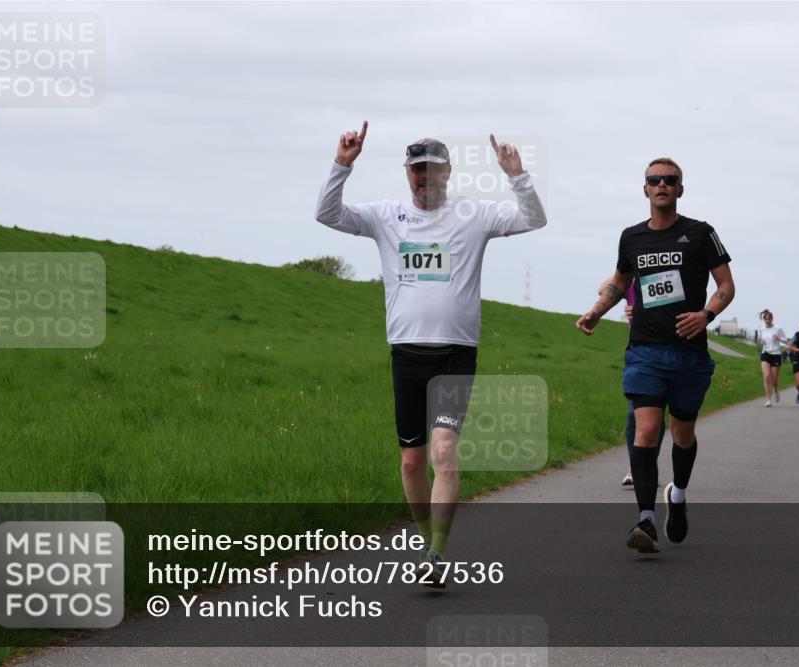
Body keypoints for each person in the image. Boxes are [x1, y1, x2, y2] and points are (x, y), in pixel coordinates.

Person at [315, 123, 547, 585]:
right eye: (417, 169)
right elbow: (327, 214)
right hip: (406, 354)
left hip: (456, 354)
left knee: (444, 451)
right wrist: (343, 164)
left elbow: (532, 220)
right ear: (408, 174)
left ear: (448, 172)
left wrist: (517, 175)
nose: (425, 176)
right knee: (411, 461)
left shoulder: (474, 214)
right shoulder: (386, 215)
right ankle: (426, 540)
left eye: (433, 168)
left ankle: (436, 556)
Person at [576, 157, 735, 554]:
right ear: (644, 188)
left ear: (680, 189)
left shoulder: (700, 234)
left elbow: (727, 286)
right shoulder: (631, 237)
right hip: (645, 352)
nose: (661, 184)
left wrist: (706, 314)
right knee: (646, 430)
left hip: (689, 356)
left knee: (682, 433)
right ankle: (645, 518)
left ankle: (677, 496)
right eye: (654, 180)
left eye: (670, 180)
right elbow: (620, 282)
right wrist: (596, 311)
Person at [595, 280, 666, 488]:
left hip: (666, 352)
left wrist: (644, 312)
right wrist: (627, 267)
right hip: (638, 355)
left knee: (657, 417)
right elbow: (601, 289)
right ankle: (635, 466)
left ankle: (647, 462)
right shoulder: (632, 282)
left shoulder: (659, 281)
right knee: (632, 414)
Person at [757, 309, 788, 407]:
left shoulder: (778, 328)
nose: (767, 321)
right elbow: (760, 342)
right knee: (766, 377)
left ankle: (776, 390)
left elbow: (785, 340)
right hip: (765, 354)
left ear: (772, 319)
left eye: (769, 319)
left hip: (776, 354)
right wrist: (759, 341)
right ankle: (768, 400)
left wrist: (779, 339)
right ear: (764, 320)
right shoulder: (761, 329)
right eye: (766, 319)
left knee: (774, 380)